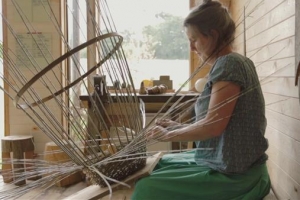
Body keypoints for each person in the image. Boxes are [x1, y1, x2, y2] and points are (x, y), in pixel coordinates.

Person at [131, 0, 271, 199]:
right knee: (158, 163)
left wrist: (170, 135)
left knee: (145, 187)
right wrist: (173, 126)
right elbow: (220, 122)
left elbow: (213, 126)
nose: (191, 47)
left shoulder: (229, 64)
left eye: (194, 39)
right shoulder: (235, 62)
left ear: (212, 35)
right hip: (230, 165)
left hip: (238, 178)